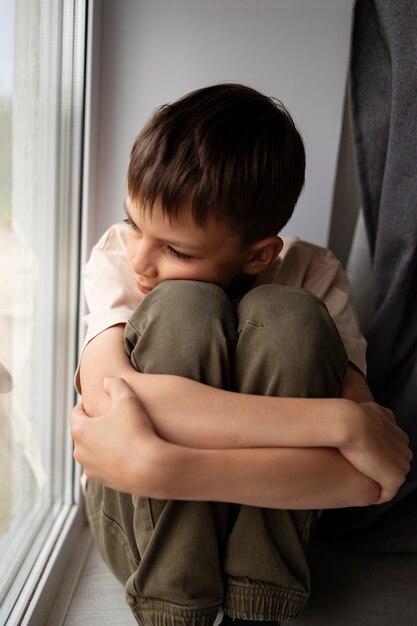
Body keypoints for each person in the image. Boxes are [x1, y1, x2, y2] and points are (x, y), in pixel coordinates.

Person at [71, 84, 411, 626]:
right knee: (183, 305)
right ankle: (175, 609)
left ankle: (256, 610)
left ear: (259, 254)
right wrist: (342, 422)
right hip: (139, 521)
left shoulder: (314, 275)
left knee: (290, 317)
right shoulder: (116, 255)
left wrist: (170, 467)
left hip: (248, 530)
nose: (140, 260)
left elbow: (364, 479)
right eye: (135, 222)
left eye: (177, 249)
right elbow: (111, 400)